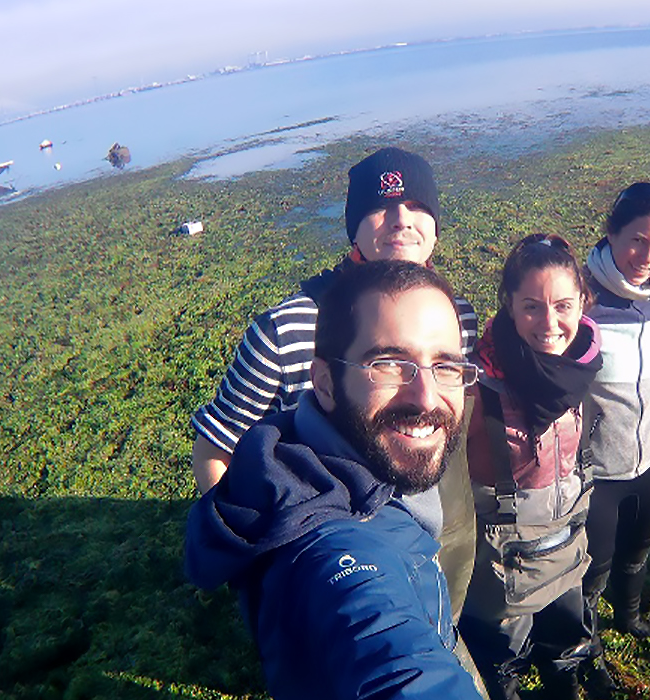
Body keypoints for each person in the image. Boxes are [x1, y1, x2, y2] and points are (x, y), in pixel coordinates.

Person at [187, 148, 484, 678]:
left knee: (441, 616)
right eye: (382, 205)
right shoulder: (287, 329)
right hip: (336, 541)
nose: (400, 220)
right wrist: (257, 564)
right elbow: (217, 445)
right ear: (353, 228)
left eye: (416, 205)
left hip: (436, 518)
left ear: (436, 226)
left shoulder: (455, 313)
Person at [458, 234, 610, 700]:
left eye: (564, 306)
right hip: (503, 564)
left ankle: (568, 661)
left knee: (567, 617)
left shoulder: (584, 364)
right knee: (504, 644)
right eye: (532, 307)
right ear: (507, 304)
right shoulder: (475, 386)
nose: (550, 323)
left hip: (568, 539)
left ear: (582, 302)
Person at [579, 183, 650, 645]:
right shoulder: (580, 299)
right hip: (599, 468)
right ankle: (589, 641)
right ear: (611, 233)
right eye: (637, 239)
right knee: (594, 564)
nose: (648, 255)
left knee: (640, 546)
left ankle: (631, 617)